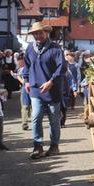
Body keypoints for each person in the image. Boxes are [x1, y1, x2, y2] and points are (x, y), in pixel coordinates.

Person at [24, 22, 65, 160]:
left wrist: (51, 81)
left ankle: (54, 146)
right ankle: (38, 146)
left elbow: (62, 68)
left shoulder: (55, 48)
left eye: (40, 33)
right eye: (35, 33)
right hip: (36, 90)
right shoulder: (30, 48)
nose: (38, 36)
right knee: (36, 117)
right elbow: (27, 66)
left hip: (52, 90)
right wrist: (26, 81)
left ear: (46, 33)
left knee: (54, 120)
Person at [15, 56, 31, 130]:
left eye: (21, 62)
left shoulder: (30, 67)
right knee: (25, 106)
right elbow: (19, 77)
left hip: (32, 88)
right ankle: (24, 122)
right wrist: (22, 81)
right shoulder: (19, 69)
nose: (19, 63)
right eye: (19, 62)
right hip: (24, 89)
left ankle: (35, 122)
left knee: (33, 106)